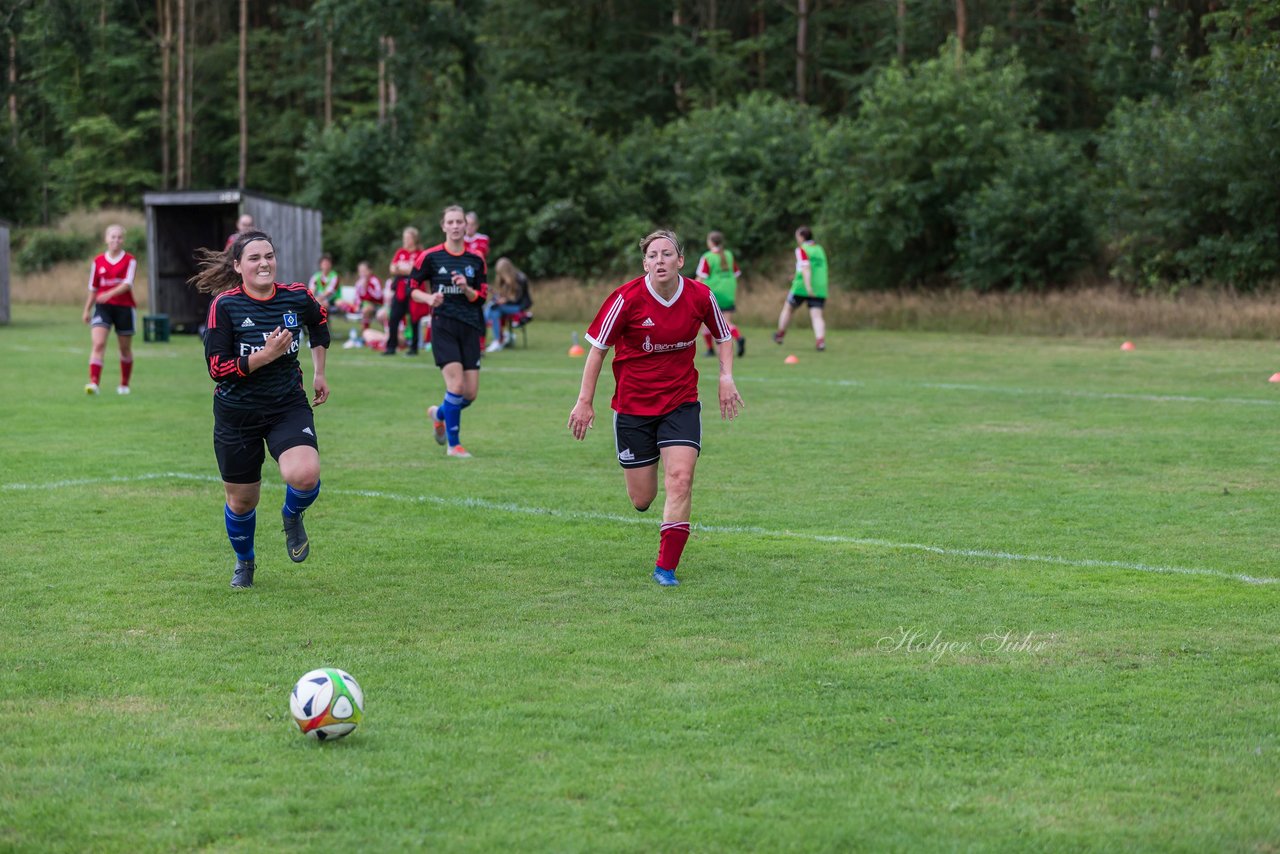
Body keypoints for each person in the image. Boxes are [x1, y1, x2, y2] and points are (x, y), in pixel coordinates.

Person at [568, 229, 744, 587]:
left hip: (681, 403)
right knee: (642, 498)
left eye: (666, 254)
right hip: (633, 408)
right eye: (652, 256)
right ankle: (648, 506)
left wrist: (726, 377)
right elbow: (598, 350)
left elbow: (724, 336)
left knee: (680, 479)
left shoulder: (700, 295)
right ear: (645, 263)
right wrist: (584, 401)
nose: (659, 261)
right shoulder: (626, 298)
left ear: (680, 261)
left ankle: (666, 568)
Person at [192, 230, 331, 590]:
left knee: (304, 474)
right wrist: (264, 356)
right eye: (254, 258)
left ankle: (292, 514)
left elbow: (319, 322)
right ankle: (245, 561)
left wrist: (319, 372)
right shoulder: (224, 305)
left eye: (269, 255)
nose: (264, 263)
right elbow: (217, 368)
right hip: (237, 413)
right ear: (238, 266)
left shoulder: (296, 296)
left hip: (286, 405)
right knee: (242, 501)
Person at [412, 205, 489, 458]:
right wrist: (427, 298)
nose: (455, 226)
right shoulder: (430, 256)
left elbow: (482, 298)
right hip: (443, 326)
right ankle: (454, 445)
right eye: (451, 222)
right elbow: (412, 287)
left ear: (466, 226)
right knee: (455, 386)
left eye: (460, 222)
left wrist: (467, 289)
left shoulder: (476, 260)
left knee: (470, 393)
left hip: (470, 327)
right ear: (443, 226)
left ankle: (439, 414)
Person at [82, 224, 139, 395]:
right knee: (98, 344)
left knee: (124, 348)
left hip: (124, 308)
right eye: (112, 237)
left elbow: (127, 284)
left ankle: (124, 385)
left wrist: (108, 293)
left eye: (119, 237)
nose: (116, 240)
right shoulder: (98, 261)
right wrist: (86, 309)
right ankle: (94, 383)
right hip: (103, 308)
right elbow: (93, 288)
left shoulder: (130, 260)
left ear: (123, 240)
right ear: (106, 239)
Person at [773, 225, 828, 351]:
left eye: (797, 236)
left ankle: (780, 335)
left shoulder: (802, 249)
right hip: (819, 287)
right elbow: (815, 267)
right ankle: (820, 341)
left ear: (802, 237)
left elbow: (806, 267)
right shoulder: (819, 249)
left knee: (788, 309)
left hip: (802, 287)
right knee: (817, 316)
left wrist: (808, 287)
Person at [694, 231, 745, 358]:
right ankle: (738, 338)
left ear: (710, 242)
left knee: (706, 322)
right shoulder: (728, 254)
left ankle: (710, 349)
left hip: (714, 292)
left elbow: (700, 277)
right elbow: (736, 274)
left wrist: (692, 291)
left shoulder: (708, 256)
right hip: (729, 291)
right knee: (727, 321)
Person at [385, 227, 421, 356]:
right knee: (394, 317)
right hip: (400, 290)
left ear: (414, 239)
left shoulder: (419, 253)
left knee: (414, 318)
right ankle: (391, 347)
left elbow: (417, 270)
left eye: (408, 238)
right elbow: (392, 269)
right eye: (404, 238)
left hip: (413, 289)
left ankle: (414, 347)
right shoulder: (400, 252)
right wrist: (406, 269)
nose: (405, 240)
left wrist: (402, 269)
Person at [483, 256, 532, 353]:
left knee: (493, 309)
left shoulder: (520, 279)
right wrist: (497, 296)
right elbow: (504, 296)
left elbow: (517, 299)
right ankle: (499, 338)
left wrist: (505, 301)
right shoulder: (504, 280)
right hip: (508, 306)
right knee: (493, 309)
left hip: (519, 306)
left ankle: (497, 339)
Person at [352, 261, 385, 343]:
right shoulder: (359, 282)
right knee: (363, 308)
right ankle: (365, 334)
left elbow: (379, 296)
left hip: (377, 304)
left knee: (366, 309)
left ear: (370, 271)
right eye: (360, 271)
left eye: (364, 271)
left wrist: (367, 287)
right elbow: (357, 297)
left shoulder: (374, 281)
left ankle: (365, 333)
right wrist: (358, 304)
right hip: (364, 305)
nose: (362, 273)